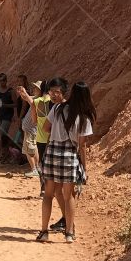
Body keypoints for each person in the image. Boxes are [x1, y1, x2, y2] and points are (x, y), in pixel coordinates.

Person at [35, 81, 96, 244]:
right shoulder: (84, 118)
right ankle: (69, 233)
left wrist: (58, 129)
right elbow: (82, 145)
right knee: (69, 196)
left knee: (48, 194)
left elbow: (46, 128)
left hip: (53, 152)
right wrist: (84, 166)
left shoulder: (57, 108)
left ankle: (44, 231)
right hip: (69, 155)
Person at [16, 78, 41, 179]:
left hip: (31, 129)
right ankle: (37, 168)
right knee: (31, 149)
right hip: (29, 129)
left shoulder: (39, 100)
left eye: (36, 87)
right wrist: (22, 92)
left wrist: (24, 92)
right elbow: (26, 98)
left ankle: (34, 169)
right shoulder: (37, 97)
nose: (34, 88)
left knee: (30, 150)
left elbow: (30, 101)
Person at [0, 72, 15, 162]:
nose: (1, 83)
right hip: (0, 115)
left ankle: (6, 153)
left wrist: (5, 105)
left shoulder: (11, 91)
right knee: (2, 135)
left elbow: (16, 104)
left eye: (2, 81)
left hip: (7, 115)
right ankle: (5, 153)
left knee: (3, 134)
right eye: (0, 81)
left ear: (6, 81)